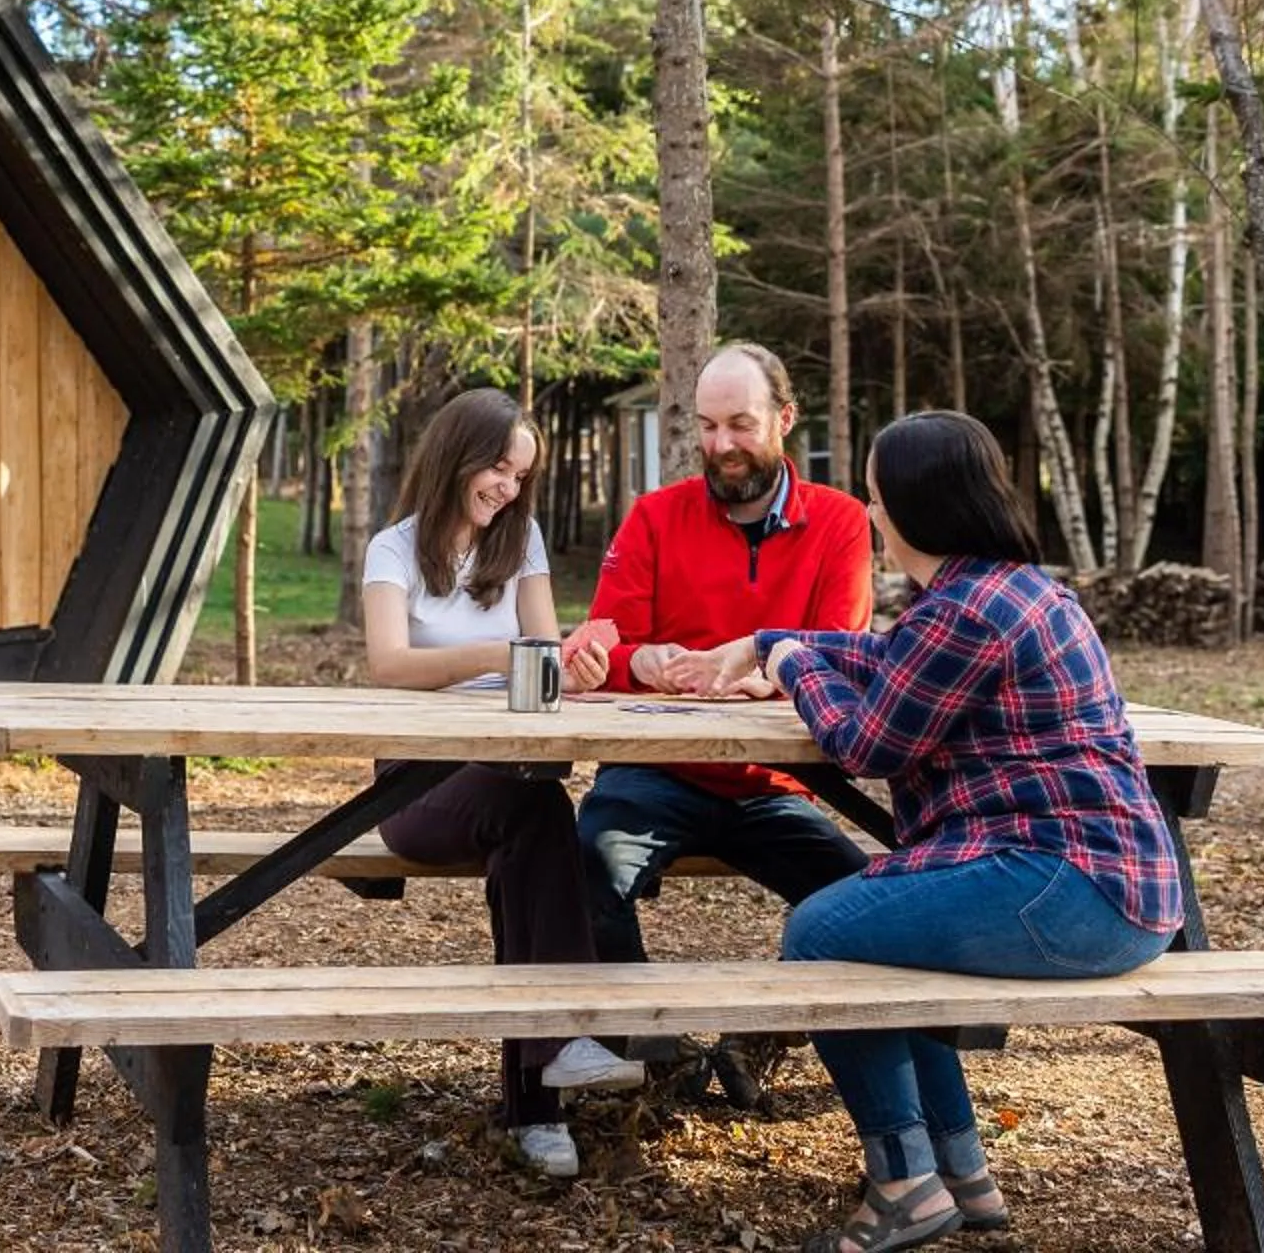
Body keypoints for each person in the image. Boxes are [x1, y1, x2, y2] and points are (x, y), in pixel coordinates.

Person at [674, 411, 1183, 1252]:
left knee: (821, 935)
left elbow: (866, 745)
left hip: (1071, 893)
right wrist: (769, 639)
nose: (870, 513)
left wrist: (790, 665)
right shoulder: (1004, 591)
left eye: (876, 497)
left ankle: (905, 1186)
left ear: (917, 506)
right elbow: (890, 660)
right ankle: (961, 1173)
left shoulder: (967, 612)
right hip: (1111, 887)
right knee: (887, 944)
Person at [359, 386, 641, 1181]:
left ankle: (538, 1112)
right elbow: (388, 665)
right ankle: (556, 1062)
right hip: (414, 785)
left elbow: (545, 659)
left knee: (531, 828)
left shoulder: (522, 543)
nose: (509, 490)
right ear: (458, 457)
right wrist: (497, 658)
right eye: (499, 471)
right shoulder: (393, 549)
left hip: (511, 772)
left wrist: (577, 669)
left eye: (521, 477)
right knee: (539, 815)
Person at [575, 344, 878, 977]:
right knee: (584, 869)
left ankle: (778, 1022)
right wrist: (642, 662)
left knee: (871, 907)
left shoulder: (841, 521)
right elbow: (603, 648)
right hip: (653, 771)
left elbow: (841, 655)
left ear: (784, 418)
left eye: (741, 424)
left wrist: (766, 676)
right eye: (708, 426)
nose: (721, 445)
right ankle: (643, 1030)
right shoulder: (653, 516)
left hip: (775, 782)